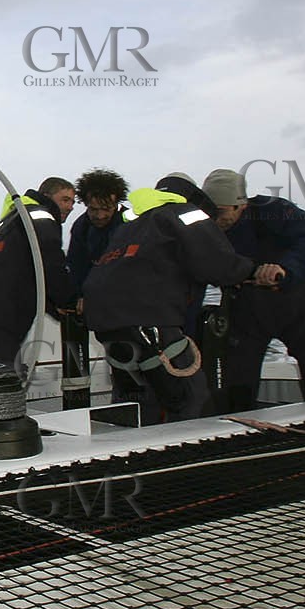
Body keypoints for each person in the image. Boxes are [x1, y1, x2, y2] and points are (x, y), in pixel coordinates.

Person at [83, 173, 255, 424]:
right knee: (189, 397)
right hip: (148, 323)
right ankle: (194, 444)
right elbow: (218, 263)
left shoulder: (132, 225)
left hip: (107, 324)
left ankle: (130, 442)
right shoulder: (185, 212)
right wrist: (252, 271)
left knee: (135, 397)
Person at [202, 168, 305, 410]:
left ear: (241, 204)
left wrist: (285, 269)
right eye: (209, 212)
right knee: (235, 388)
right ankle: (238, 425)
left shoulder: (274, 210)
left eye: (220, 212)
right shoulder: (203, 228)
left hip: (296, 303)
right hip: (243, 309)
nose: (215, 219)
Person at [0, 177, 78, 367]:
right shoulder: (42, 217)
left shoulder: (17, 218)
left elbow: (26, 272)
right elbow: (50, 263)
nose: (70, 207)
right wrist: (71, 302)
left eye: (73, 202)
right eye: (65, 200)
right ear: (46, 196)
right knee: (1, 380)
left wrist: (53, 307)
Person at [68, 168, 129, 298]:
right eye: (94, 209)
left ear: (116, 204)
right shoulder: (80, 228)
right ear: (85, 204)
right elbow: (76, 268)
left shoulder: (133, 224)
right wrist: (80, 296)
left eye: (106, 209)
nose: (100, 216)